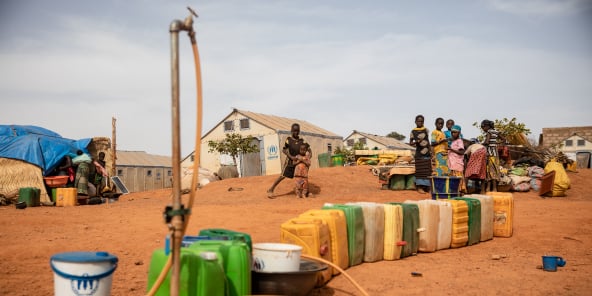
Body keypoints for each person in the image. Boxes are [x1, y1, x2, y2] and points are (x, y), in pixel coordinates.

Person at [267, 123, 310, 198]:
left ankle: (306, 192)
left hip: (299, 163)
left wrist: (307, 158)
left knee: (302, 177)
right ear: (291, 131)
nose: (296, 132)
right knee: (283, 176)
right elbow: (284, 150)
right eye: (294, 131)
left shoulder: (302, 141)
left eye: (297, 131)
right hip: (290, 162)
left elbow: (309, 150)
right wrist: (291, 157)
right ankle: (271, 189)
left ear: (299, 131)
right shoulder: (288, 140)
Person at [409, 115, 432, 194]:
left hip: (427, 153)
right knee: (420, 171)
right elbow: (411, 143)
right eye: (418, 121)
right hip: (419, 153)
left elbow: (428, 141)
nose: (420, 122)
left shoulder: (426, 130)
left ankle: (427, 187)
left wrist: (430, 150)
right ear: (415, 122)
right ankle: (419, 187)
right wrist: (417, 142)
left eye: (422, 121)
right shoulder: (413, 131)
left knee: (427, 170)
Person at [481, 119, 503, 192]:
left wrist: (481, 144)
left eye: (483, 127)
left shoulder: (489, 132)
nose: (483, 129)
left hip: (490, 154)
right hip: (495, 154)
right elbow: (504, 139)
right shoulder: (496, 132)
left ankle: (493, 188)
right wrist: (497, 143)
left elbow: (487, 142)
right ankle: (491, 188)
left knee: (490, 171)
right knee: (495, 170)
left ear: (487, 126)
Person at [447, 125, 466, 193]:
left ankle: (460, 193)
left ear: (459, 133)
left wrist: (451, 149)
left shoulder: (459, 141)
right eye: (452, 132)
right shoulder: (454, 141)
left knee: (458, 180)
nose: (453, 134)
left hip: (457, 165)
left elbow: (462, 152)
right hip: (453, 165)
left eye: (455, 132)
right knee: (454, 181)